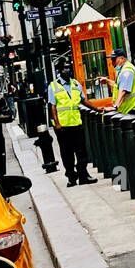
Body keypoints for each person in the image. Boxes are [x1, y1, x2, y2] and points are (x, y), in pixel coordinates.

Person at [48, 58, 94, 187]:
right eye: (64, 68)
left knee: (81, 152)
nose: (68, 70)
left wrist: (98, 108)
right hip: (63, 127)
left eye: (69, 67)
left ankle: (83, 176)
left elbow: (83, 100)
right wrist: (57, 123)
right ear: (59, 70)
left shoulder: (75, 84)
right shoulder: (53, 86)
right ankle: (71, 178)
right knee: (67, 154)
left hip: (76, 123)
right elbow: (52, 106)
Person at [110, 46, 135, 114]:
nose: (112, 63)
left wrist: (115, 107)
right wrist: (107, 81)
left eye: (114, 60)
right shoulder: (123, 70)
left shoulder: (127, 71)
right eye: (111, 60)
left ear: (122, 59)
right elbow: (119, 86)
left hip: (133, 110)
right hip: (131, 109)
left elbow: (123, 91)